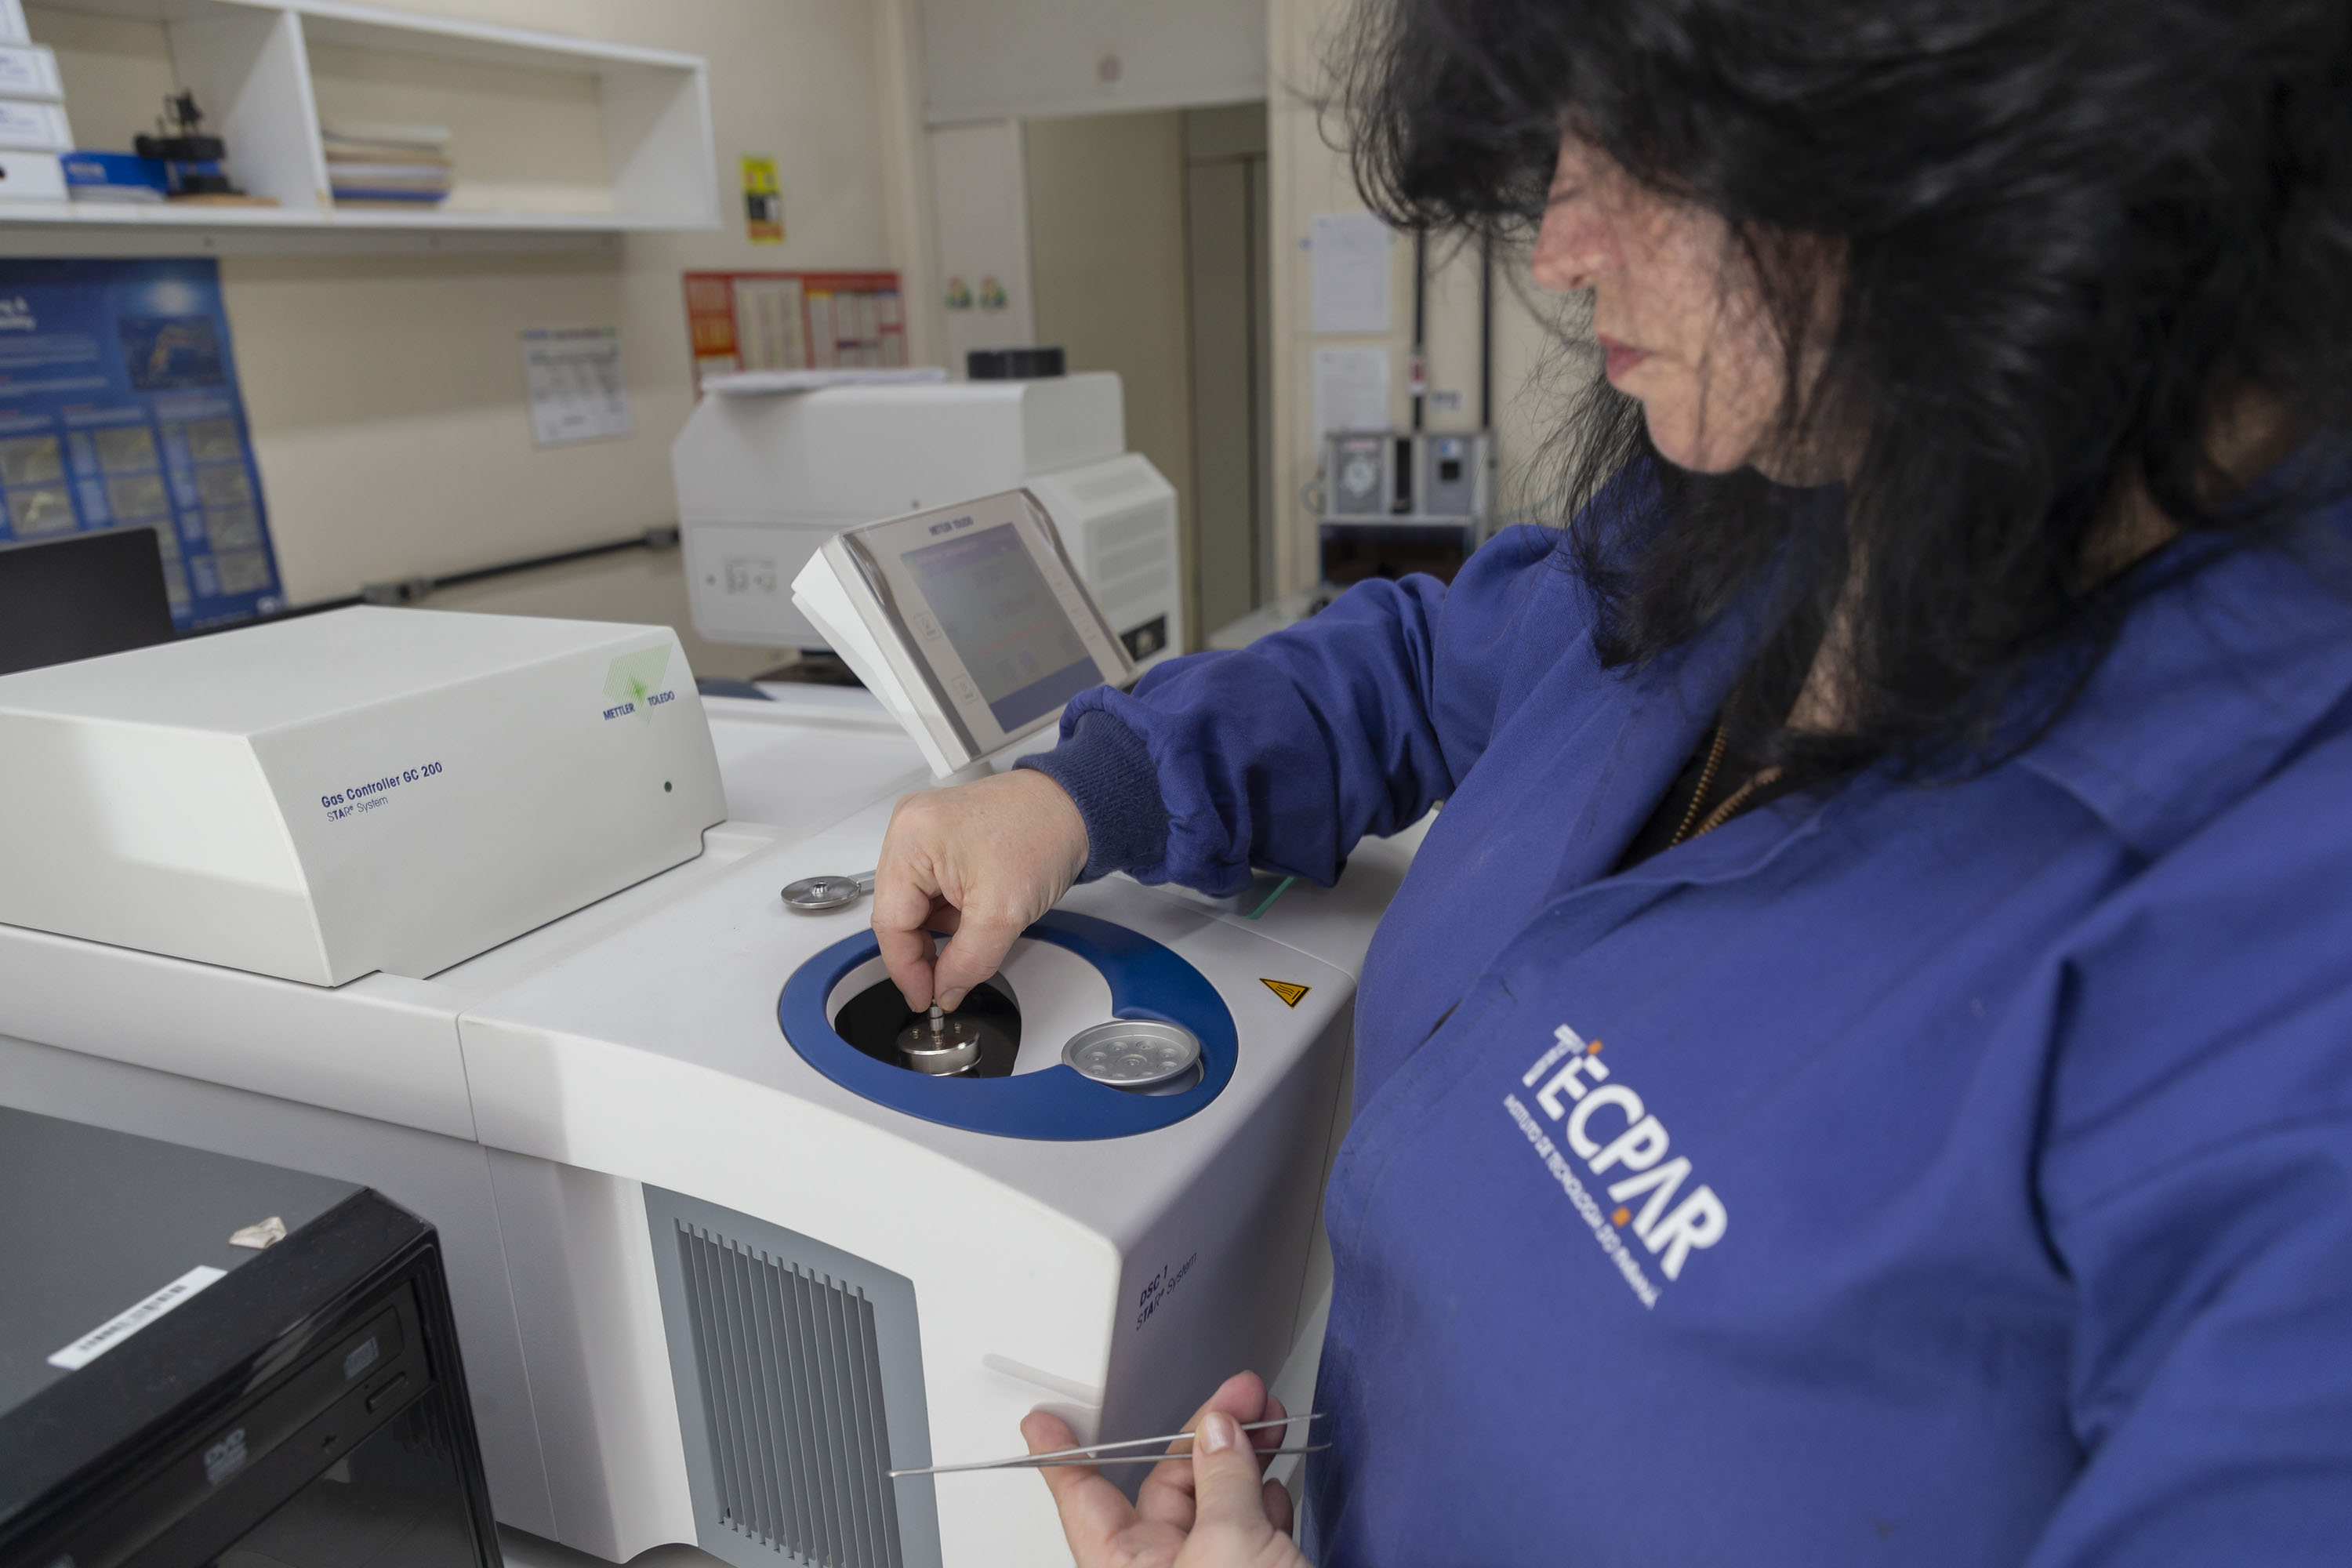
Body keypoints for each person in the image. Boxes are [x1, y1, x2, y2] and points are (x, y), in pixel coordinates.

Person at [871, 0, 2352, 1561]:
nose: (1561, 249)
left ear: (2041, 122)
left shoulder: (2278, 953)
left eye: (1657, 144)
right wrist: (1080, 793)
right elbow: (1425, 664)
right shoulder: (1802, 492)